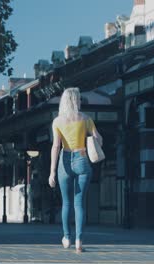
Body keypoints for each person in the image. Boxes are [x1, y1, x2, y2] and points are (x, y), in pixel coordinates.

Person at [48, 87, 102, 253]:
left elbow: (56, 146)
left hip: (64, 160)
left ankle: (66, 237)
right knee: (79, 203)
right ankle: (79, 240)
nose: (80, 101)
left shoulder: (57, 121)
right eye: (78, 98)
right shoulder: (86, 119)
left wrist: (52, 172)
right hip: (82, 159)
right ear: (74, 100)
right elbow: (99, 139)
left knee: (66, 203)